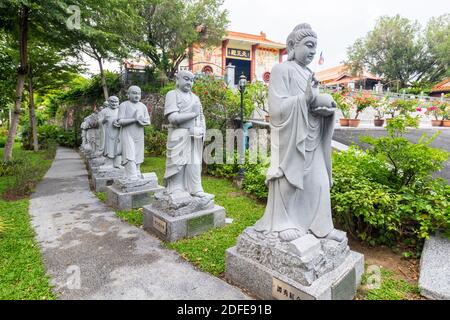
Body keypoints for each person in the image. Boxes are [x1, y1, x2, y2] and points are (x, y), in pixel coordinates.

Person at [254, 23, 344, 242]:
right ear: (293, 45)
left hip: (311, 133)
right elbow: (276, 110)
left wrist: (326, 110)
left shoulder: (309, 74)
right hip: (290, 135)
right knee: (289, 178)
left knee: (320, 181)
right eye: (309, 45)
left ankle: (321, 225)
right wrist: (303, 100)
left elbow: (312, 102)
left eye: (316, 47)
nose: (313, 51)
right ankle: (282, 222)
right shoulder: (281, 70)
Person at [163, 70, 213, 201]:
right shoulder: (172, 94)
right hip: (178, 134)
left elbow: (201, 117)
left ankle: (194, 188)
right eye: (186, 79)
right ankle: (176, 188)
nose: (189, 83)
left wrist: (201, 129)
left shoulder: (195, 98)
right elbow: (172, 118)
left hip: (194, 136)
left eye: (191, 80)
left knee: (194, 163)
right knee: (178, 163)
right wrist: (192, 115)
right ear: (177, 80)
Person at [115, 86, 150, 179]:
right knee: (129, 153)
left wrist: (141, 121)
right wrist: (134, 119)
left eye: (139, 93)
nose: (137, 95)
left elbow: (148, 121)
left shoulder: (143, 106)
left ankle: (137, 170)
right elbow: (120, 121)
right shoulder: (124, 105)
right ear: (128, 94)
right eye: (134, 93)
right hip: (127, 133)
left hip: (139, 133)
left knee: (138, 153)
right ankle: (132, 174)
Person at [100, 96, 122, 169]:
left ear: (118, 102)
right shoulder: (104, 111)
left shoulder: (120, 110)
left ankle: (117, 163)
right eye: (112, 102)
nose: (114, 103)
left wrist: (119, 124)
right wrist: (104, 120)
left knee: (118, 147)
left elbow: (123, 120)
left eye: (116, 102)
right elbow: (98, 122)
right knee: (109, 147)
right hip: (108, 132)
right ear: (109, 102)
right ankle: (109, 163)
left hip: (118, 132)